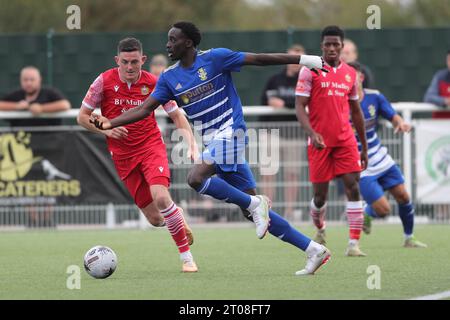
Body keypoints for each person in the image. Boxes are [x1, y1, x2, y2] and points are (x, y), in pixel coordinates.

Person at [91, 21, 331, 276]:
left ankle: (254, 202)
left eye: (173, 40)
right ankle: (313, 249)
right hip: (215, 143)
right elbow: (143, 110)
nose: (168, 44)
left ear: (189, 43)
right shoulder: (169, 78)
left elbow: (260, 59)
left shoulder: (216, 58)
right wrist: (108, 122)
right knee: (253, 214)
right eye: (168, 39)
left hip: (233, 133)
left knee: (196, 178)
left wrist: (305, 59)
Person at [77, 37, 199, 273]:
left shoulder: (155, 82)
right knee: (155, 219)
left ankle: (187, 258)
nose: (130, 67)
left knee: (161, 198)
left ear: (143, 60)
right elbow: (82, 117)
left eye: (135, 62)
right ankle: (176, 214)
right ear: (117, 61)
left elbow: (177, 115)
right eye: (125, 62)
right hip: (123, 157)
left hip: (151, 147)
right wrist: (107, 129)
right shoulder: (103, 81)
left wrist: (192, 144)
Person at [295, 26, 369, 257]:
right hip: (319, 143)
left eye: (336, 44)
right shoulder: (310, 70)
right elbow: (299, 106)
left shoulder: (350, 74)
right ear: (322, 46)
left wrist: (363, 147)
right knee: (320, 197)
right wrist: (311, 132)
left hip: (345, 140)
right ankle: (320, 226)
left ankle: (353, 244)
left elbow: (356, 112)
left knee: (353, 186)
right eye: (327, 44)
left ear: (342, 46)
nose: (332, 48)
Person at [348, 61, 427, 248]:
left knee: (403, 196)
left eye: (354, 75)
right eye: (346, 76)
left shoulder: (374, 97)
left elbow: (392, 115)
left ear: (361, 77)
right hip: (361, 164)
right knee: (384, 210)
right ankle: (367, 214)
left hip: (381, 157)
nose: (350, 78)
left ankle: (409, 237)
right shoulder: (341, 102)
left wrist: (400, 123)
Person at [260, 44, 305, 221]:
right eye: (292, 57)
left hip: (294, 134)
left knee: (292, 174)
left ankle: (289, 212)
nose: (294, 62)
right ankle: (266, 212)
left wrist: (286, 104)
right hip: (271, 132)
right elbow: (269, 100)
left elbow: (302, 102)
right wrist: (291, 104)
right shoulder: (274, 80)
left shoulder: (306, 81)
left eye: (299, 58)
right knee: (268, 173)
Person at [0, 66, 71, 126]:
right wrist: (16, 106)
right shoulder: (16, 94)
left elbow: (65, 105)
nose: (29, 83)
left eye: (32, 80)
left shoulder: (49, 92)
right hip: (20, 138)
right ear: (20, 80)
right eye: (25, 80)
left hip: (50, 137)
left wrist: (41, 108)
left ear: (39, 79)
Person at [423, 49, 450, 119]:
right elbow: (428, 97)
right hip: (439, 125)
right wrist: (445, 101)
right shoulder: (440, 77)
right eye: (449, 60)